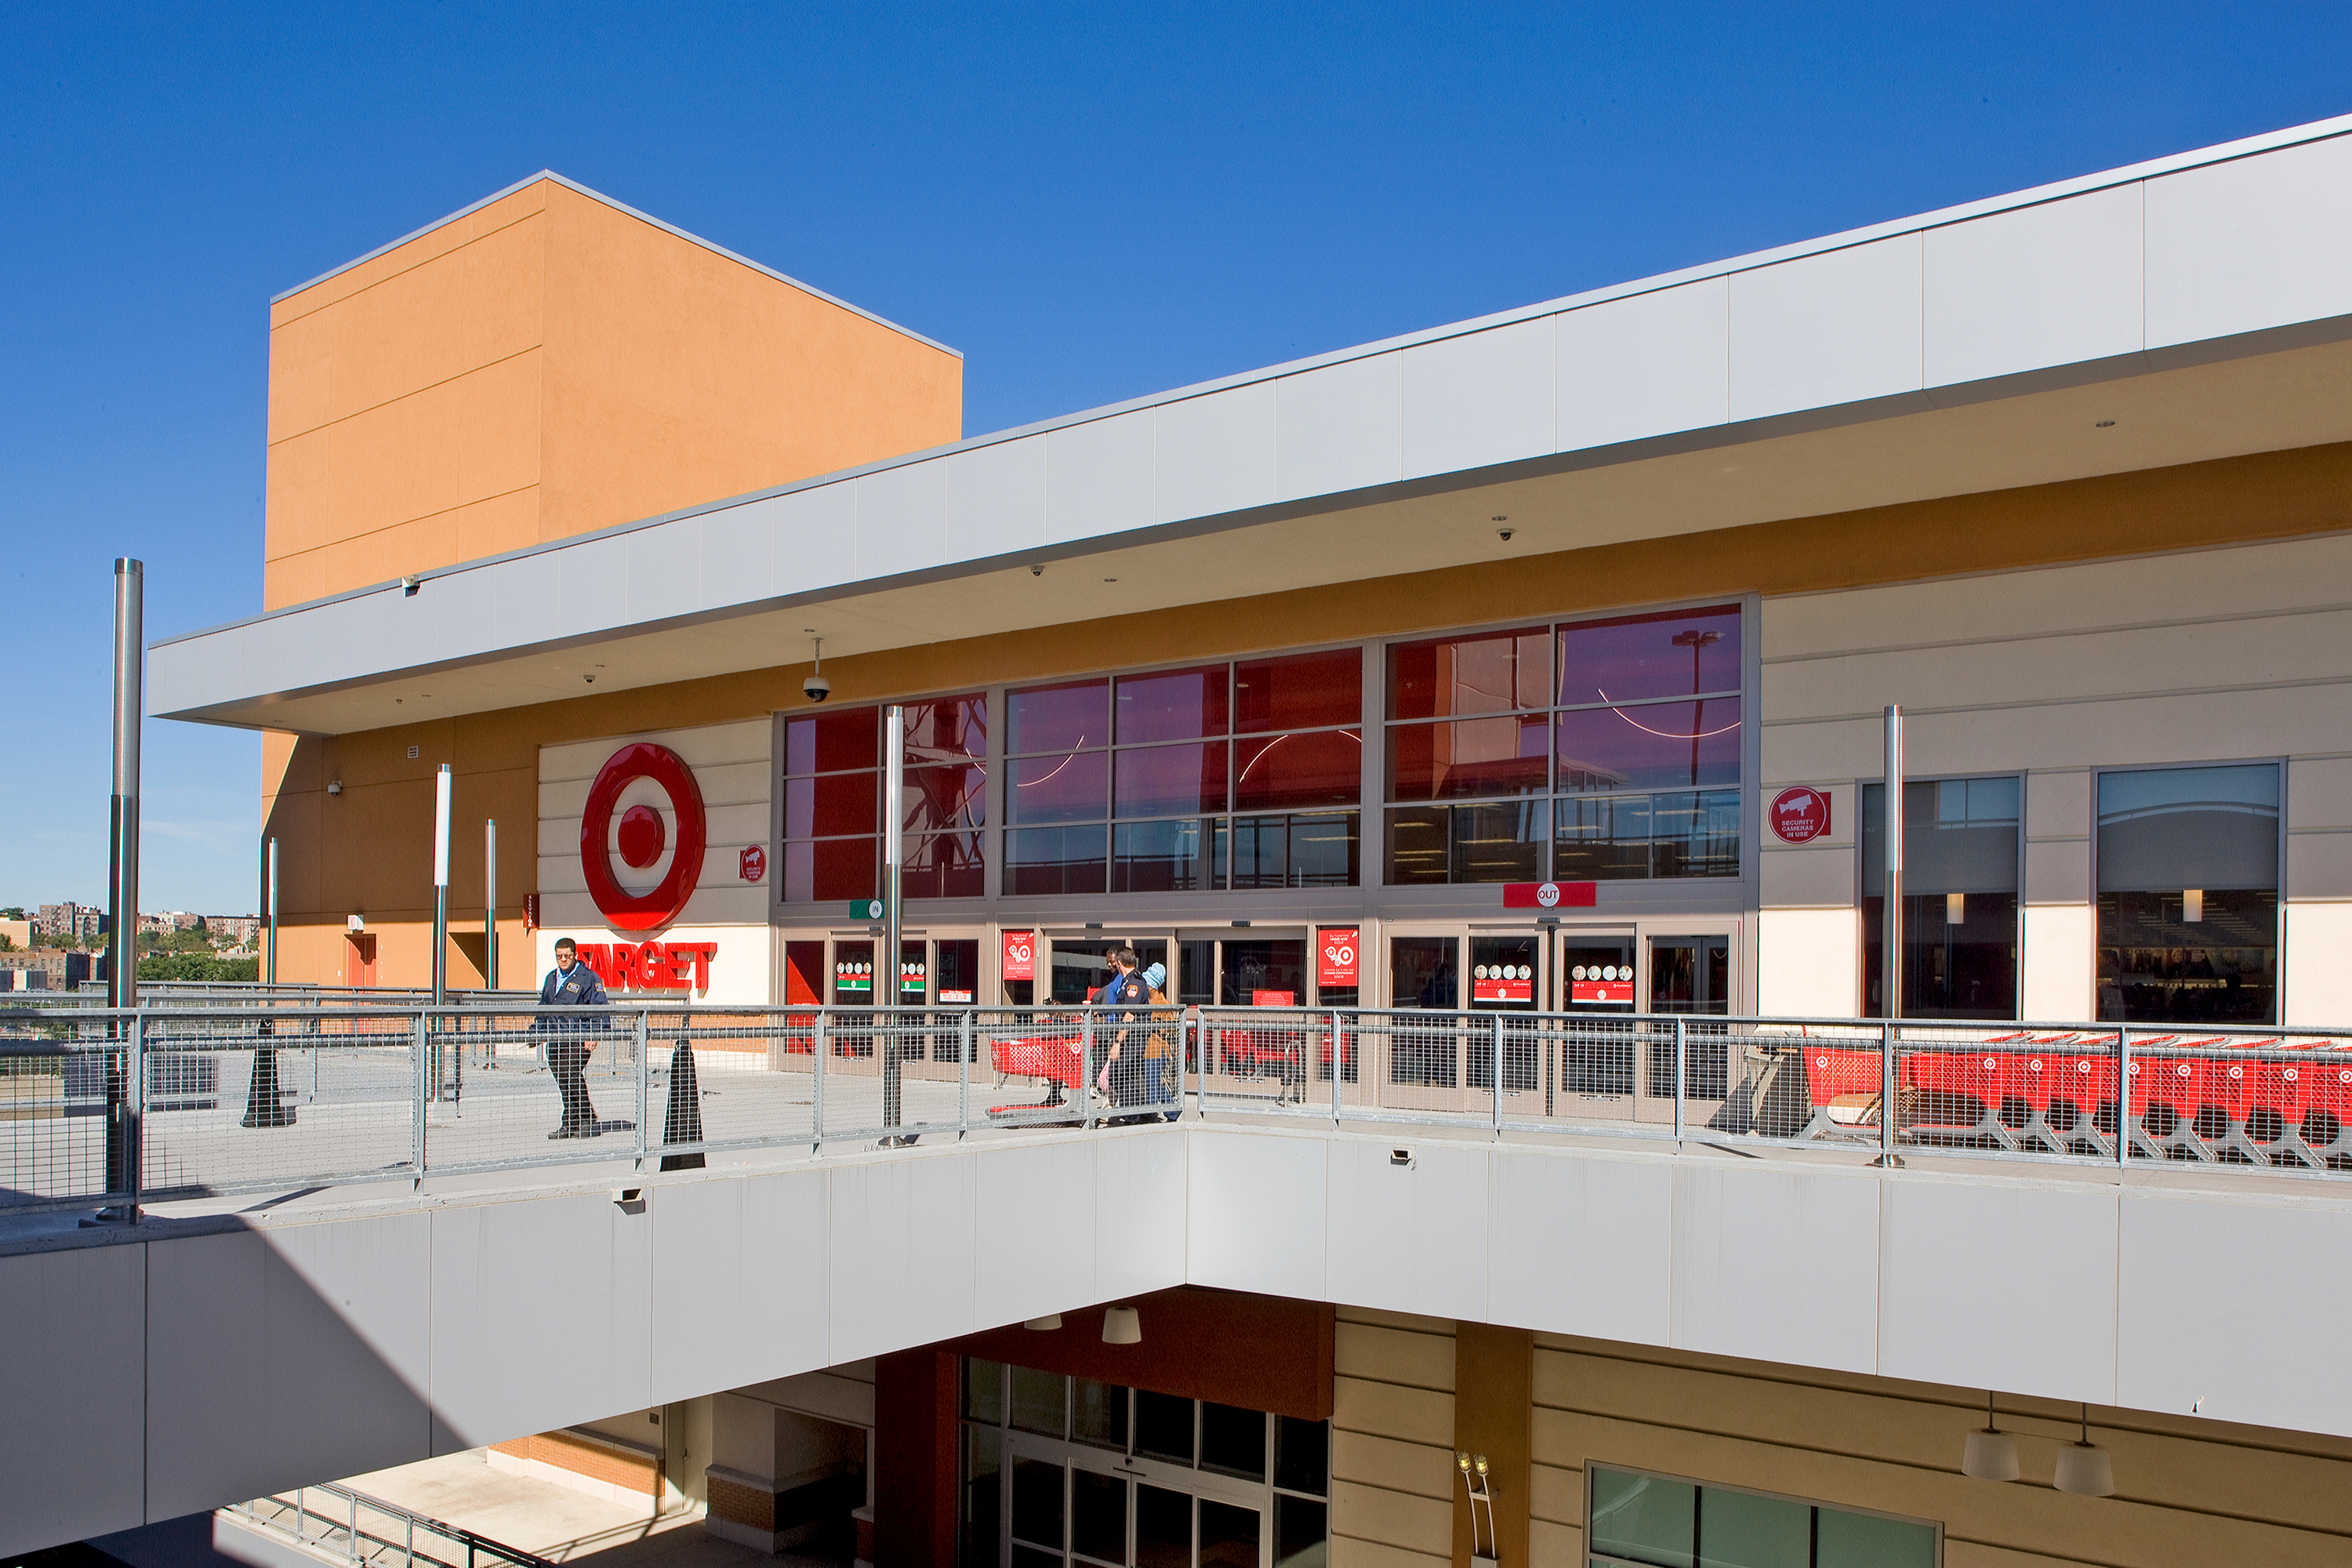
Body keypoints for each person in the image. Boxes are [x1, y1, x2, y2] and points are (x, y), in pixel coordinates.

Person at [536, 938, 609, 1138]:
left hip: (578, 1038)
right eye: (559, 956)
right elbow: (544, 1006)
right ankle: (579, 1119)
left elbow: (599, 1006)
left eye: (567, 956)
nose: (563, 959)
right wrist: (537, 1031)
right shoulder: (552, 978)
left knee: (570, 1075)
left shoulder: (588, 977)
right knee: (564, 1081)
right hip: (555, 1038)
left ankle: (576, 1121)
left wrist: (594, 1034)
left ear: (575, 955)